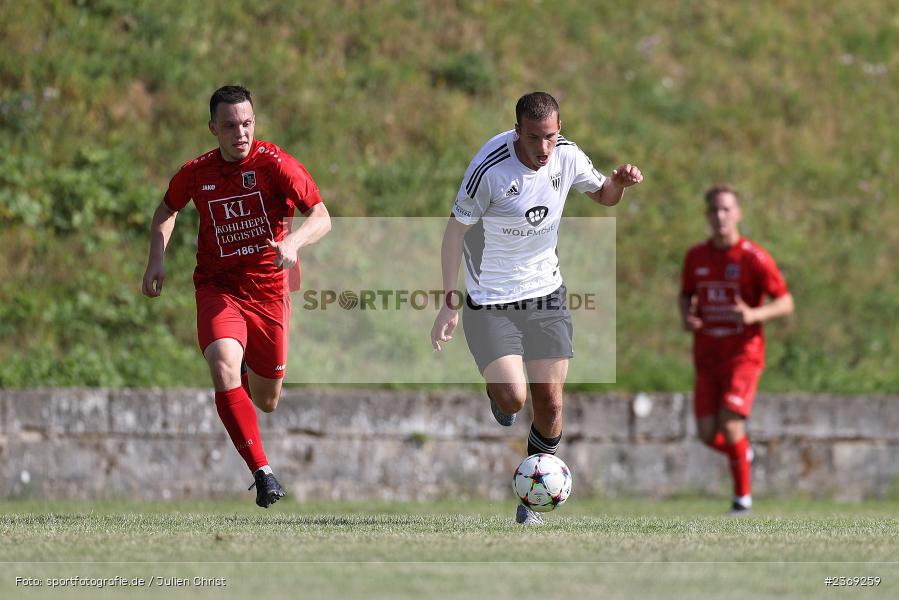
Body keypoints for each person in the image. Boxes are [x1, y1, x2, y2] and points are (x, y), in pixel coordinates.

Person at [430, 92, 643, 525]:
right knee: (514, 397)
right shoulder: (488, 169)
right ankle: (500, 398)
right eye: (533, 138)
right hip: (491, 299)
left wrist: (618, 183)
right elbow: (453, 234)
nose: (543, 149)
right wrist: (449, 302)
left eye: (550, 137)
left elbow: (603, 195)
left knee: (550, 404)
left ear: (559, 132)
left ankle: (529, 503)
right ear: (516, 132)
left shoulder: (565, 155)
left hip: (546, 293)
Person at [142, 85, 331, 508]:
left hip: (268, 293)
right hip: (218, 288)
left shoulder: (276, 164)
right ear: (213, 128)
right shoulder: (197, 172)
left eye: (246, 124)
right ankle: (263, 474)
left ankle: (243, 370)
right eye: (229, 126)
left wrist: (294, 243)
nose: (240, 133)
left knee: (267, 400)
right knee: (223, 366)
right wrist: (157, 258)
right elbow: (166, 209)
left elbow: (321, 216)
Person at [679, 184, 794, 515]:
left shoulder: (753, 258)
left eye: (726, 209)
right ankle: (741, 452)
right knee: (705, 433)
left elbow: (786, 302)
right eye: (714, 210)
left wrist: (755, 314)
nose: (720, 216)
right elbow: (686, 293)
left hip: (743, 356)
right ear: (707, 216)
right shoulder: (696, 256)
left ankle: (742, 501)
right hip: (707, 356)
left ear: (738, 213)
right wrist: (686, 315)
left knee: (731, 426)